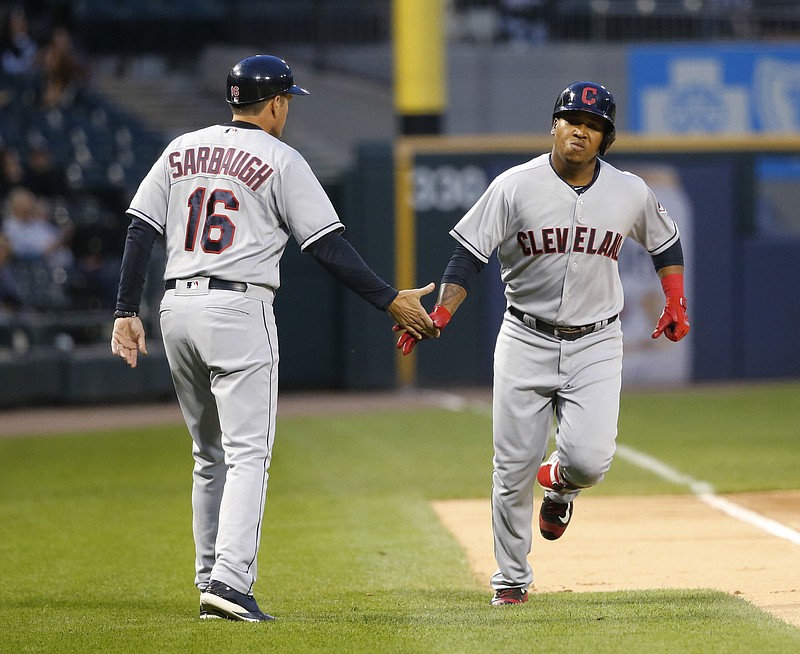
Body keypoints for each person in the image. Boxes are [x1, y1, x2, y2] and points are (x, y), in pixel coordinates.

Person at [110, 54, 438, 622]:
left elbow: (142, 226)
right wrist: (390, 299)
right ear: (278, 103)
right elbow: (327, 246)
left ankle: (210, 575)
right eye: (289, 102)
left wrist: (123, 310)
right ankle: (231, 584)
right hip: (237, 306)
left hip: (175, 306)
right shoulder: (281, 158)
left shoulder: (181, 147)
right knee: (248, 455)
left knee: (208, 455)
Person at [396, 81, 690, 606]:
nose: (581, 129)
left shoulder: (629, 190)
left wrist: (675, 301)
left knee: (590, 461)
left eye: (594, 124)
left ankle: (560, 487)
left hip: (597, 341)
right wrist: (441, 311)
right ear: (553, 125)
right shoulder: (515, 186)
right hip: (524, 337)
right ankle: (511, 580)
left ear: (605, 138)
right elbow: (467, 255)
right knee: (510, 469)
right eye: (572, 119)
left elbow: (666, 243)